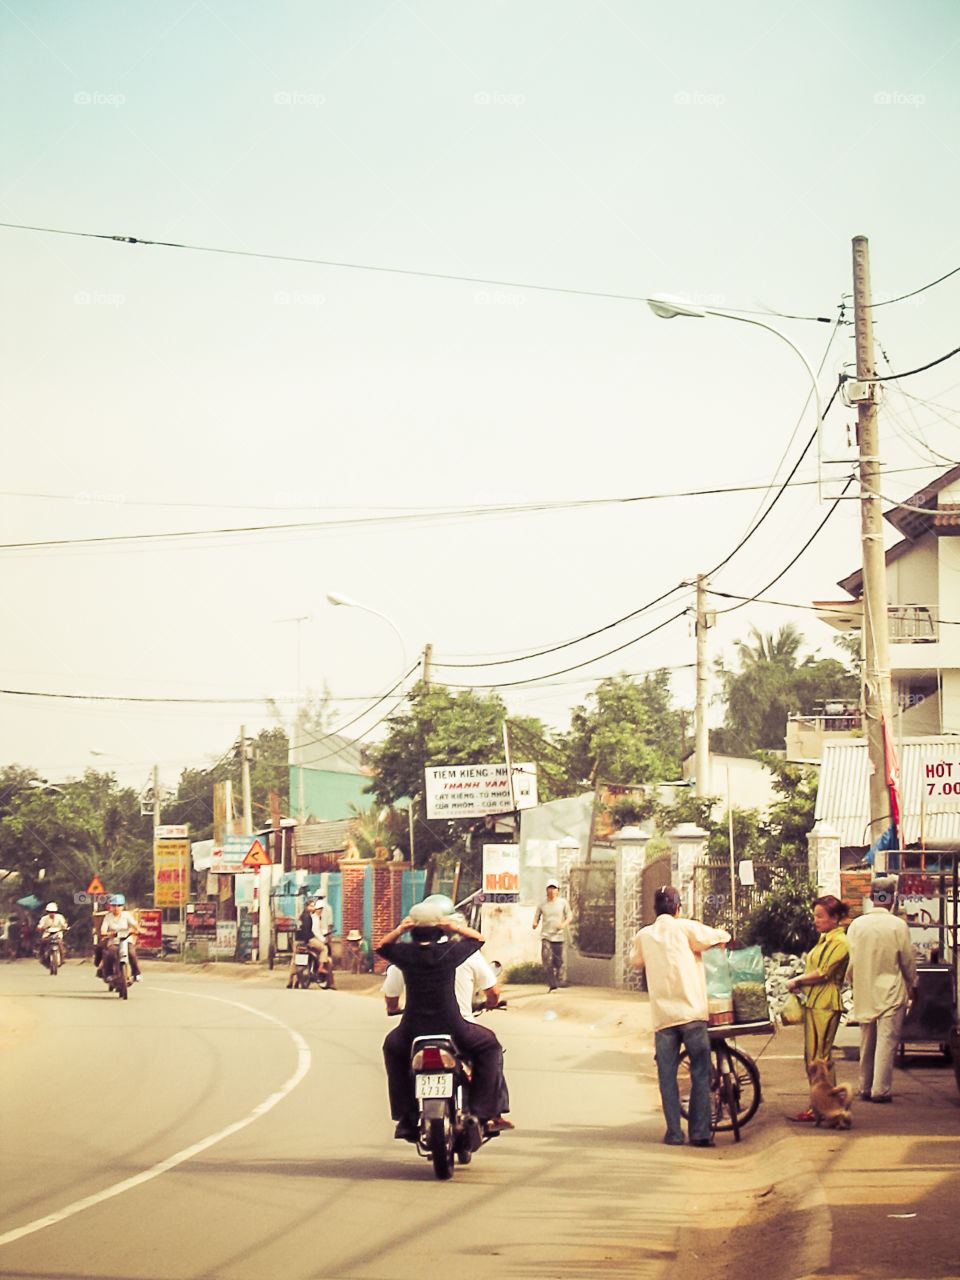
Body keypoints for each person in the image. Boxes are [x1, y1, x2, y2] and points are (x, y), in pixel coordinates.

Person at [378, 897, 511, 1140]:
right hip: (453, 1028)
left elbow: (382, 948)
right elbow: (478, 940)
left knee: (391, 1048)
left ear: (413, 930)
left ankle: (406, 1116)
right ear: (440, 928)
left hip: (412, 1031)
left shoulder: (405, 954)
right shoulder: (450, 952)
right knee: (490, 1046)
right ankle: (483, 1112)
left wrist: (400, 929)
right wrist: (453, 928)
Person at [630, 884, 730, 1148]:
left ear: (655, 909)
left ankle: (674, 1133)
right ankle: (700, 1133)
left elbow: (635, 961)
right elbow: (720, 936)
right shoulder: (686, 928)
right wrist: (721, 939)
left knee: (667, 1075)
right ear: (677, 907)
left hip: (664, 1018)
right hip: (692, 1013)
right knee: (699, 1071)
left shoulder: (645, 935)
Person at [846, 875, 918, 1104]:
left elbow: (851, 962)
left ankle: (865, 1087)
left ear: (871, 897)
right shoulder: (898, 925)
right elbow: (907, 961)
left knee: (867, 1041)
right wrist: (912, 985)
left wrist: (854, 985)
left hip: (865, 991)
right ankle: (881, 1090)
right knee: (887, 1042)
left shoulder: (857, 925)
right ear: (892, 898)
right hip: (891, 992)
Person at [785, 894, 850, 1119]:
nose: (816, 921)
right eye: (816, 916)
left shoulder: (840, 942)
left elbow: (823, 973)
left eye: (821, 917)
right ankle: (824, 1105)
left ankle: (826, 1107)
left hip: (826, 1003)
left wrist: (798, 980)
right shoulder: (826, 940)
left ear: (835, 918)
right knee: (814, 1058)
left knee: (820, 1059)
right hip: (815, 1001)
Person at [532, 879, 572, 990]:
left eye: (554, 888)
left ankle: (558, 978)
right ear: (546, 890)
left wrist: (563, 925)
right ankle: (552, 983)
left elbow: (569, 916)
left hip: (558, 937)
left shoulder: (563, 903)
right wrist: (535, 923)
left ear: (558, 890)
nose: (552, 891)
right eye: (550, 888)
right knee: (547, 960)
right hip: (546, 936)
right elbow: (537, 917)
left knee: (558, 961)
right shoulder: (542, 904)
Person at [287, 897, 330, 988]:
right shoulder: (308, 917)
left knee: (295, 960)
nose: (313, 908)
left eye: (314, 906)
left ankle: (291, 981)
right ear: (306, 906)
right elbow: (308, 931)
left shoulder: (301, 916)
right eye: (311, 906)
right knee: (324, 949)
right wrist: (309, 942)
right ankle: (321, 967)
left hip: (297, 941)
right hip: (306, 940)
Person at [99, 895, 142, 982]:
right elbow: (103, 929)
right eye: (114, 905)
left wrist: (138, 929)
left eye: (119, 905)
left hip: (126, 940)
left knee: (132, 953)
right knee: (109, 954)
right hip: (113, 941)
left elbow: (134, 924)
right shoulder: (108, 917)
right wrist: (106, 934)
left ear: (122, 906)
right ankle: (109, 975)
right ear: (111, 906)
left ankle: (136, 974)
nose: (116, 908)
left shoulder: (126, 915)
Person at [36, 902, 68, 968]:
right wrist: (39, 927)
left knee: (60, 944)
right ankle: (41, 957)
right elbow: (41, 925)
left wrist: (64, 927)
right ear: (47, 912)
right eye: (50, 912)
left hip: (57, 933)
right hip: (47, 933)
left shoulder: (59, 917)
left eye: (53, 912)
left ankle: (62, 959)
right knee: (43, 943)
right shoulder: (44, 918)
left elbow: (63, 924)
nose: (52, 913)